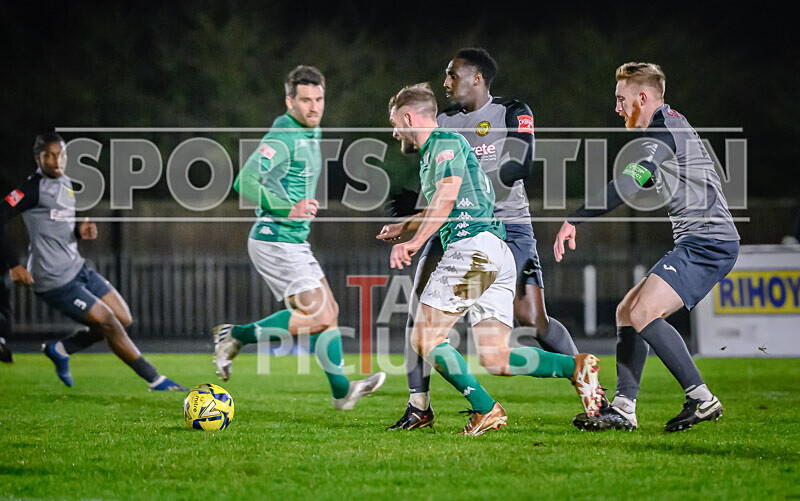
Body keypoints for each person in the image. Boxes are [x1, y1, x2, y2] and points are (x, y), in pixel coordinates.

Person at [385, 82, 603, 435]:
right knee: (496, 358)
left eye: (396, 123)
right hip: (495, 252)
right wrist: (407, 226)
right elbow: (451, 200)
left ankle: (486, 409)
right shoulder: (443, 149)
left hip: (472, 250)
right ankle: (575, 368)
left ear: (409, 117)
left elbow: (447, 196)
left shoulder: (443, 143)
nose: (396, 132)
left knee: (424, 338)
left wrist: (415, 242)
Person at [553, 62, 740, 432]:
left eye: (621, 100)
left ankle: (701, 399)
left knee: (643, 313)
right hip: (701, 239)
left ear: (643, 97)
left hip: (708, 242)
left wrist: (576, 217)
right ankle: (624, 406)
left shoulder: (663, 131)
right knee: (627, 311)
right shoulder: (669, 124)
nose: (617, 108)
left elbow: (629, 183)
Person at [212, 65, 385, 410]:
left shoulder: (313, 131)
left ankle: (342, 393)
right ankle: (234, 335)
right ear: (289, 101)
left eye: (319, 99)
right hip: (274, 238)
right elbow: (244, 182)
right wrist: (286, 207)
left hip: (292, 240)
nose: (314, 107)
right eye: (305, 100)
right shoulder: (283, 136)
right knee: (320, 316)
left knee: (329, 313)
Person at [1, 132, 187, 390]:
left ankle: (62, 348)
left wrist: (79, 231)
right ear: (38, 158)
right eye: (49, 156)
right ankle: (155, 379)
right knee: (108, 321)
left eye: (61, 154)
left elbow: (57, 225)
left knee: (123, 318)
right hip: (53, 279)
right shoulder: (31, 188)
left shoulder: (66, 182)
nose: (56, 161)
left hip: (78, 267)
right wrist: (13, 263)